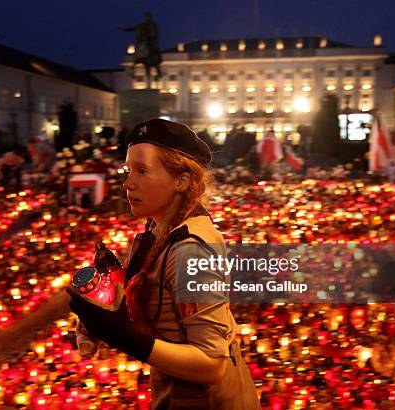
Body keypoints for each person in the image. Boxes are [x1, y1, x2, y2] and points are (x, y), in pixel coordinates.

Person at [69, 118, 261, 409]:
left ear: (181, 181)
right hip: (177, 392)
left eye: (142, 171)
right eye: (128, 169)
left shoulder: (191, 250)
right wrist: (102, 313)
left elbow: (212, 364)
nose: (127, 182)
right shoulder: (158, 229)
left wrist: (123, 337)